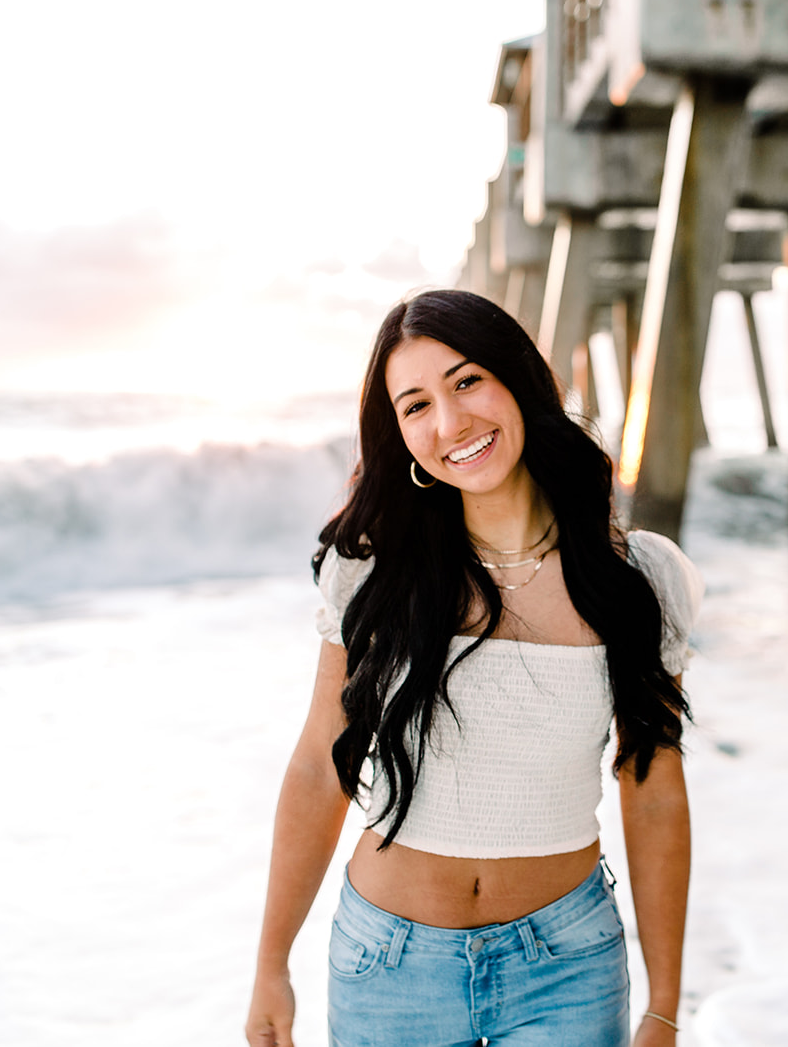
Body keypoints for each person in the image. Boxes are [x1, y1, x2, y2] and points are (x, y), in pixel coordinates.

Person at [245, 289, 702, 1047]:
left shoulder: (637, 579)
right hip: (388, 967)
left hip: (567, 967)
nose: (450, 424)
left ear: (517, 379)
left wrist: (666, 1002)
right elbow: (319, 767)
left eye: (466, 382)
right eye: (415, 405)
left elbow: (653, 791)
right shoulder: (371, 575)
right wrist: (271, 962)